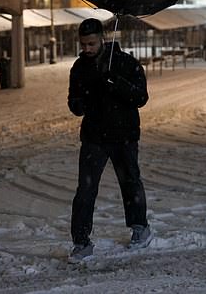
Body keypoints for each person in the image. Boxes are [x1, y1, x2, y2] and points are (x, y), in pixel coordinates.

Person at [67, 18, 152, 264]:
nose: (87, 49)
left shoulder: (125, 63)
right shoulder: (80, 67)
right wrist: (79, 103)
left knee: (130, 181)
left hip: (123, 135)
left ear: (102, 39)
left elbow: (141, 97)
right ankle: (81, 241)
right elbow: (74, 101)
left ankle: (139, 226)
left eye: (91, 44)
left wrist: (115, 83)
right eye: (83, 45)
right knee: (85, 189)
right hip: (94, 136)